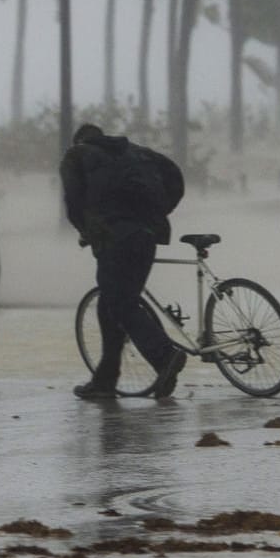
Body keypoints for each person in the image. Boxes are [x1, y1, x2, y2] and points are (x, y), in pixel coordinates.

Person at [60, 123, 186, 399]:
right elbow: (175, 177)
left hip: (115, 237)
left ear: (78, 141)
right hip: (148, 234)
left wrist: (86, 231)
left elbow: (73, 203)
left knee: (120, 302)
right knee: (112, 303)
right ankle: (106, 379)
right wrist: (157, 213)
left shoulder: (76, 155)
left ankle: (165, 355)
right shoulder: (137, 152)